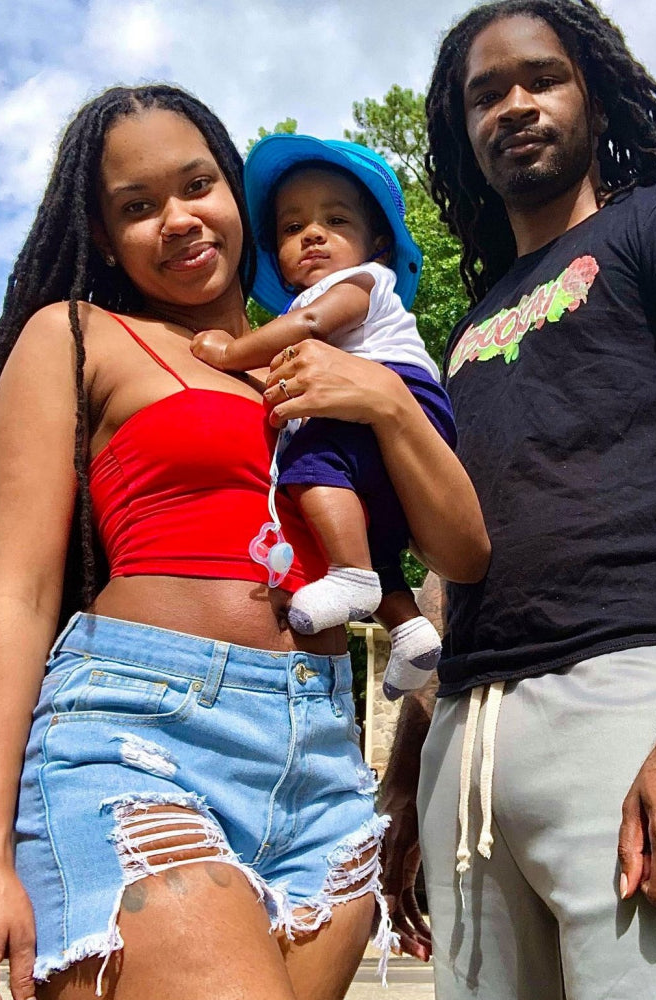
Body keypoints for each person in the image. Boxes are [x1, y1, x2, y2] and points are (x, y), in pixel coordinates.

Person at [0, 85, 489, 1000]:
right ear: (101, 235)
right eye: (138, 207)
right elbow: (14, 601)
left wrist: (378, 398)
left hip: (322, 762)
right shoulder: (79, 337)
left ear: (231, 195)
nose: (179, 220)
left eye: (197, 185)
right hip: (139, 739)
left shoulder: (332, 352)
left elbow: (461, 553)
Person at [379, 3, 656, 999]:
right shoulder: (470, 326)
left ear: (596, 91)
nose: (515, 105)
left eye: (542, 78)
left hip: (630, 703)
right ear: (461, 130)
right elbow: (460, 554)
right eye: (485, 94)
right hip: (466, 741)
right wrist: (409, 766)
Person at [191, 135, 456, 701]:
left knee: (308, 462)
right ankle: (410, 631)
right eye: (292, 228)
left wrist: (231, 353)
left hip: (396, 394)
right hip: (389, 423)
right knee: (366, 534)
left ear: (377, 245)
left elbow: (311, 326)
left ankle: (351, 579)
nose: (311, 233)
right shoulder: (320, 294)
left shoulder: (357, 282)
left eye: (335, 219)